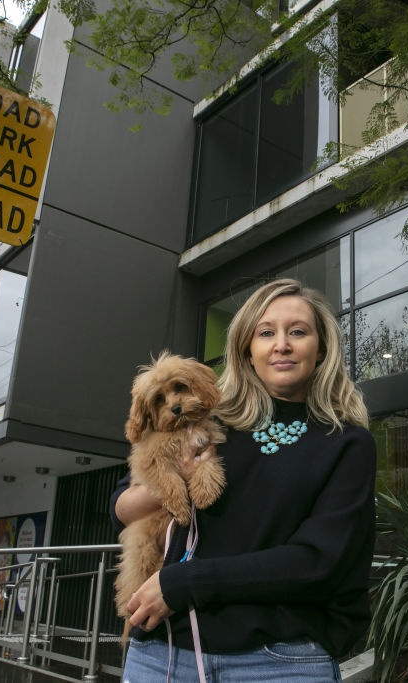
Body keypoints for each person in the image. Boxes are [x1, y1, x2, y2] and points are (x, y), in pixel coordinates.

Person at [111, 278, 376, 682]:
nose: (281, 344)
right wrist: (175, 480)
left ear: (320, 349)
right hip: (162, 653)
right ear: (248, 351)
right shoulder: (206, 418)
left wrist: (183, 582)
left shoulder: (346, 443)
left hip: (279, 660)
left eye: (298, 332)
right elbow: (120, 506)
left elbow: (320, 562)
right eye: (266, 332)